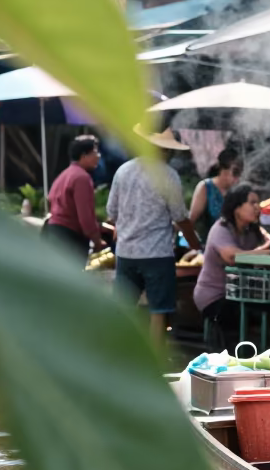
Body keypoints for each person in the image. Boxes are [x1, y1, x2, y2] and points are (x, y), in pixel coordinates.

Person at [107, 128, 203, 345]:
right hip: (156, 253)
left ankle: (116, 352)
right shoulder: (168, 175)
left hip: (126, 253)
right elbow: (180, 216)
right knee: (158, 311)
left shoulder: (123, 171)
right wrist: (195, 244)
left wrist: (122, 229)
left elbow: (112, 212)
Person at [193, 183, 270, 351]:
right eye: (252, 203)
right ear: (237, 208)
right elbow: (232, 257)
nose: (257, 207)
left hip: (239, 295)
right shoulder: (220, 229)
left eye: (258, 203)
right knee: (241, 314)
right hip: (214, 296)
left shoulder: (253, 230)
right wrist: (266, 251)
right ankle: (235, 359)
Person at [44, 134, 106, 266]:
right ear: (84, 156)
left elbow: (50, 199)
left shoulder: (64, 174)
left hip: (53, 234)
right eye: (95, 152)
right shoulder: (82, 178)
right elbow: (86, 217)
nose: (98, 156)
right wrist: (97, 240)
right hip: (69, 239)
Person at [188, 148, 243, 243]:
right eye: (235, 173)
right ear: (223, 171)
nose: (238, 179)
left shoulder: (237, 191)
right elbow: (191, 221)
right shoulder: (206, 188)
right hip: (209, 245)